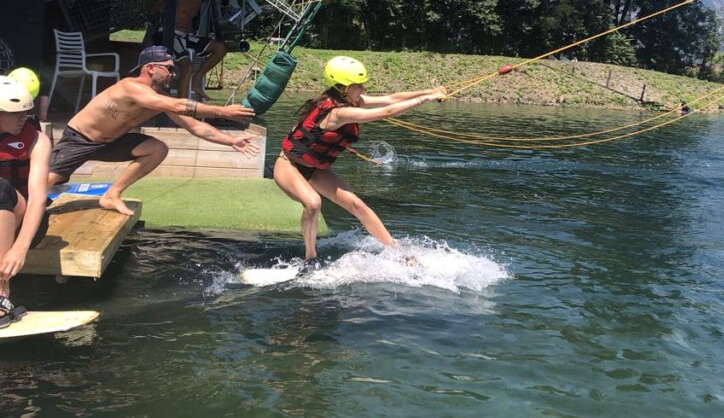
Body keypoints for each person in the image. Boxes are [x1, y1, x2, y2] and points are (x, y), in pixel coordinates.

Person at [273, 55, 446, 272]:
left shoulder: (350, 101)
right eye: (358, 85)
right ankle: (310, 259)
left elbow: (391, 99)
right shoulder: (339, 113)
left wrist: (430, 91)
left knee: (357, 205)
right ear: (343, 88)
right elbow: (387, 112)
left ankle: (398, 252)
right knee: (313, 203)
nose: (362, 88)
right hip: (289, 165)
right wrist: (426, 99)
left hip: (315, 169)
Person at [48, 46, 256, 216]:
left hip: (111, 142)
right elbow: (178, 106)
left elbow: (194, 126)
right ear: (150, 68)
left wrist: (231, 141)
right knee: (42, 186)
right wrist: (222, 111)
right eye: (168, 68)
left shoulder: (160, 98)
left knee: (157, 149)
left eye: (173, 70)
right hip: (79, 140)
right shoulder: (131, 87)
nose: (173, 74)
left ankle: (112, 195)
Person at [0, 77, 52, 328]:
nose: (25, 118)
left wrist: (20, 248)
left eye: (27, 112)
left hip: (26, 222)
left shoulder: (38, 141)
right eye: (16, 114)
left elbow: (38, 198)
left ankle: (1, 294)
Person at [151, 0, 227, 100]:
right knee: (187, 68)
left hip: (186, 36)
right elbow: (154, 9)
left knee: (220, 47)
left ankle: (197, 81)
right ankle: (182, 107)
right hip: (170, 34)